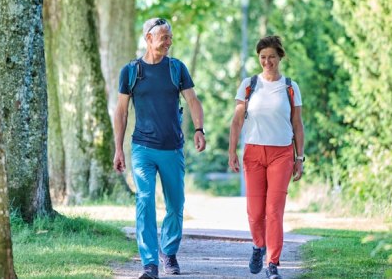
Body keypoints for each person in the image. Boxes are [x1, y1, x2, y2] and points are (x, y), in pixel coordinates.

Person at [113, 17, 206, 279]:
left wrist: (199, 129)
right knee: (144, 201)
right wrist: (118, 149)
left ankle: (169, 251)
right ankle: (149, 263)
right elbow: (121, 112)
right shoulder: (130, 72)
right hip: (142, 147)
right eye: (164, 37)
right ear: (148, 38)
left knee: (175, 205)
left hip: (172, 147)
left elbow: (192, 100)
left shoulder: (177, 69)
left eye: (170, 37)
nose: (168, 41)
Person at [228, 35, 305, 279]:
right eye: (263, 57)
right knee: (254, 211)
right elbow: (237, 120)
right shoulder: (249, 84)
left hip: (281, 153)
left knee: (274, 210)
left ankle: (272, 263)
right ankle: (258, 246)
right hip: (253, 152)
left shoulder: (290, 86)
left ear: (280, 57)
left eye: (272, 57)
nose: (267, 62)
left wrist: (299, 158)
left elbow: (297, 124)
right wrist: (232, 151)